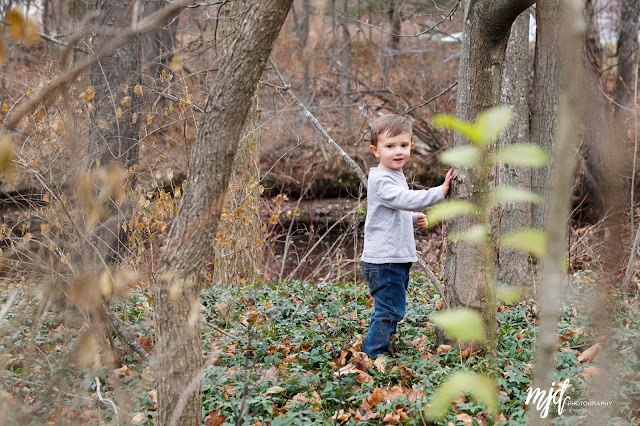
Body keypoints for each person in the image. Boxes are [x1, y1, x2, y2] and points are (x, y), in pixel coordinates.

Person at [360, 114, 452, 359]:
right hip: (384, 261)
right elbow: (403, 200)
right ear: (375, 150)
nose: (397, 151)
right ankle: (373, 355)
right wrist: (440, 192)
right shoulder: (381, 179)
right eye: (390, 146)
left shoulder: (393, 175)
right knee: (388, 310)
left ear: (411, 145)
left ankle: (385, 347)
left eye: (403, 145)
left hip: (393, 260)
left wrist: (412, 219)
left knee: (392, 309)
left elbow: (388, 212)